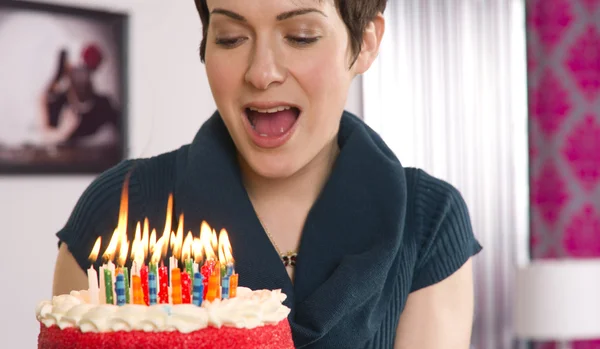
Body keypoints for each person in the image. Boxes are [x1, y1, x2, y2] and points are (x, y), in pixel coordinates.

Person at [52, 0, 482, 348]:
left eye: (300, 37)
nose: (261, 73)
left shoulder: (428, 223)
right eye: (231, 37)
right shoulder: (119, 209)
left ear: (365, 42)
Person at [40, 44, 120, 147]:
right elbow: (44, 135)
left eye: (85, 70)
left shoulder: (104, 105)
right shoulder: (55, 103)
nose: (81, 76)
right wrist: (63, 132)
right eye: (76, 70)